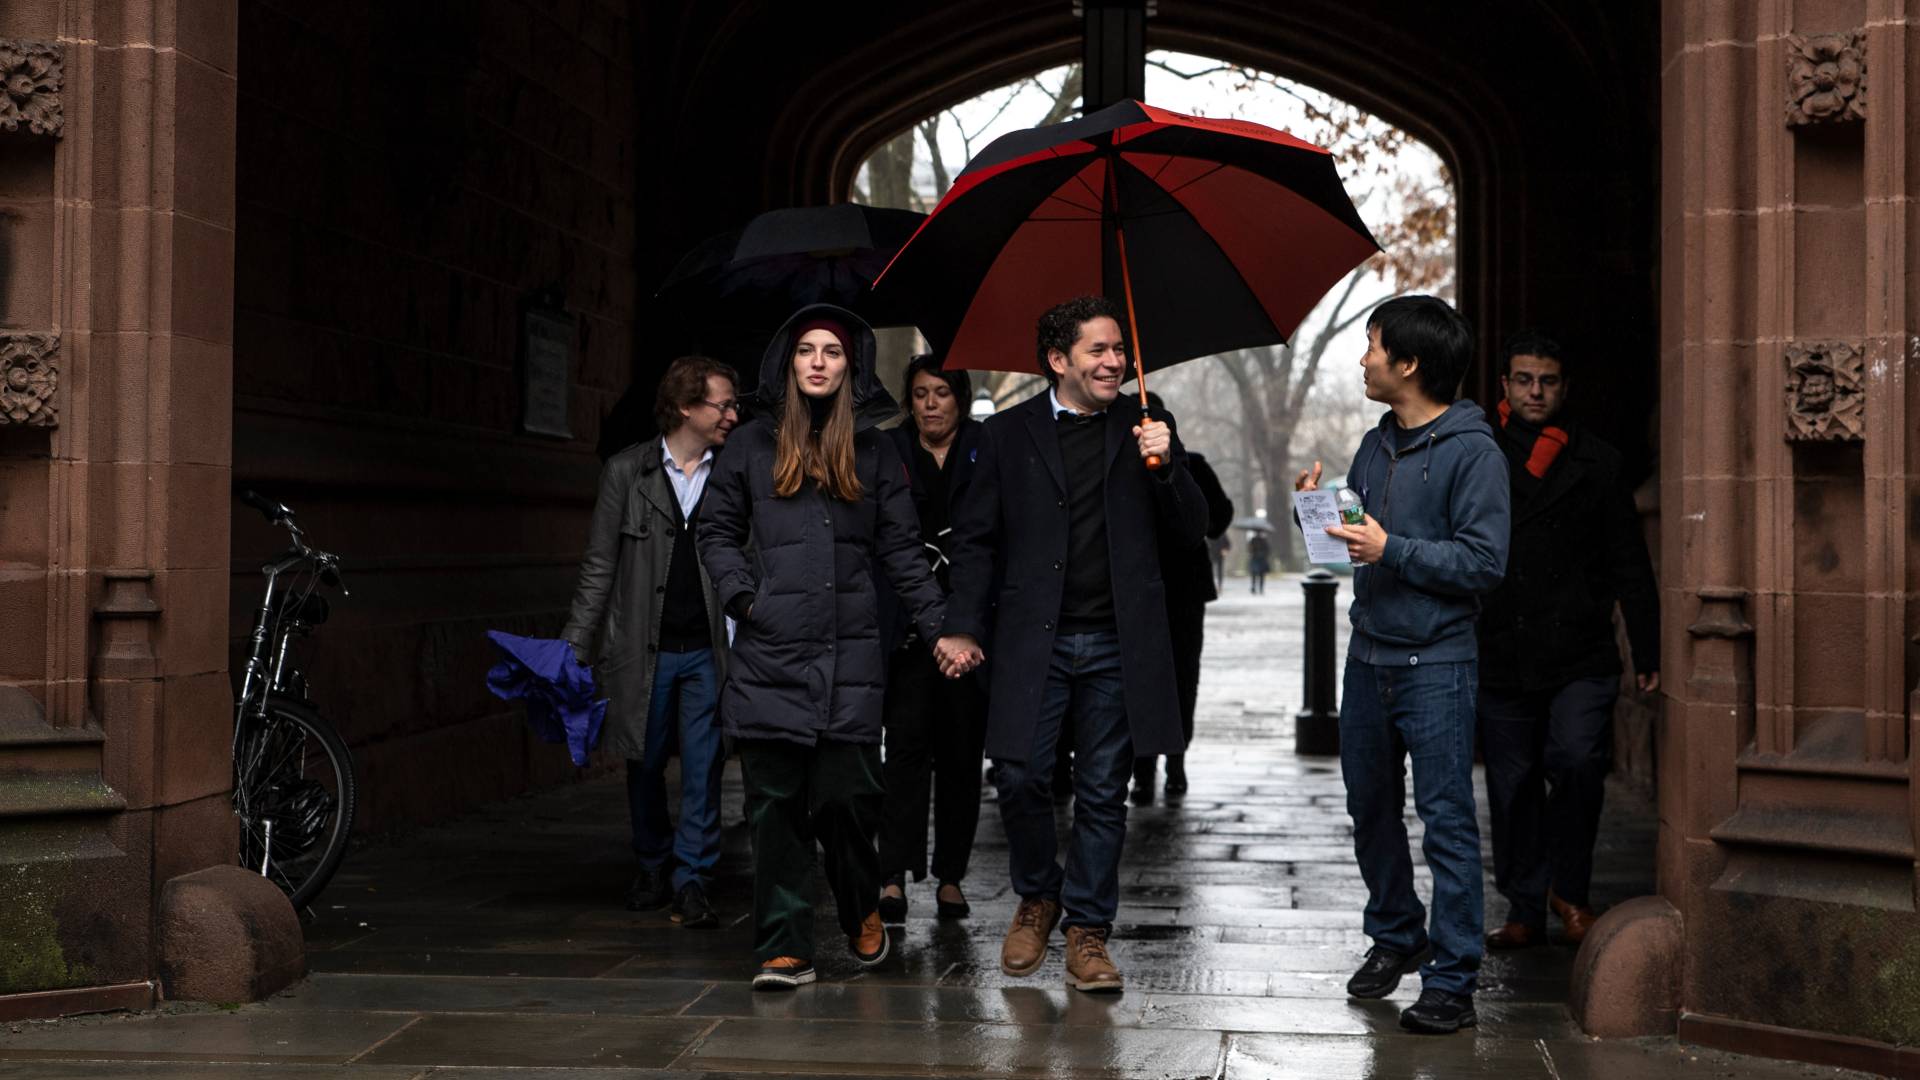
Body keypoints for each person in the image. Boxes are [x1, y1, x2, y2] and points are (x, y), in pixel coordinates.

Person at [938, 295, 1207, 994]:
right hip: (1033, 640)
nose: (1115, 361)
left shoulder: (1149, 423)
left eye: (1120, 349)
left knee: (1101, 792)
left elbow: (1191, 531)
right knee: (1020, 776)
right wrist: (961, 623)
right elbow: (975, 539)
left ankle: (1088, 930)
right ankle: (1038, 895)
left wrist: (1168, 465)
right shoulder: (1005, 436)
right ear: (1058, 360)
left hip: (1120, 642)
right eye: (1098, 350)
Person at [696, 304, 955, 991]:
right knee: (774, 810)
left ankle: (859, 902)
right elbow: (715, 531)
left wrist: (940, 629)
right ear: (789, 362)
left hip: (850, 658)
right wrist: (744, 598)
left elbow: (903, 552)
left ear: (850, 367)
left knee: (846, 800)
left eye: (832, 352)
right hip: (769, 654)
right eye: (807, 349)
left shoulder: (874, 451)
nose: (818, 361)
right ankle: (784, 946)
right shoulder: (751, 445)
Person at [1296, 294, 1509, 1035]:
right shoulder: (1374, 442)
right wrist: (1319, 513)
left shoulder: (1475, 451)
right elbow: (1354, 543)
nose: (1364, 359)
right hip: (1368, 655)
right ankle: (1396, 936)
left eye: (1373, 346)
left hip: (1438, 663)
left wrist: (1394, 549)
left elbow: (1484, 562)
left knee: (1446, 820)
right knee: (1368, 811)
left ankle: (1453, 978)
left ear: (1410, 364)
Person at [1478, 331, 1659, 950]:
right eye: (1524, 379)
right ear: (1504, 386)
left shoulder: (1598, 462)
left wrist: (1648, 651)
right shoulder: (1479, 454)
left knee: (1579, 763)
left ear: (1564, 387)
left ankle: (1571, 893)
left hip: (1580, 648)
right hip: (1502, 644)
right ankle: (1526, 902)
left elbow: (1629, 562)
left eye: (1547, 380)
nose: (1535, 391)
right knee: (1510, 781)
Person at [562, 355, 739, 928]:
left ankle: (693, 877)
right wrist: (575, 645)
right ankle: (651, 863)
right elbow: (598, 566)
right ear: (687, 407)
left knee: (705, 765)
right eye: (722, 404)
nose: (732, 415)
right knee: (642, 757)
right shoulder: (625, 472)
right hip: (643, 648)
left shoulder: (735, 472)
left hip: (709, 650)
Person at [876, 355, 989, 923]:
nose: (929, 403)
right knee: (905, 754)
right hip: (906, 631)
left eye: (941, 392)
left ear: (959, 397)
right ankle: (892, 875)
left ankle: (950, 876)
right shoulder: (889, 449)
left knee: (963, 756)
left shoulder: (986, 448)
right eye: (920, 393)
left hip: (969, 635)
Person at [1132, 392, 1234, 801]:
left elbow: (1218, 519)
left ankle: (1170, 763)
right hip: (1143, 589)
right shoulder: (1122, 467)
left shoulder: (1194, 466)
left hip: (1182, 592)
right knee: (1150, 678)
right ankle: (1150, 767)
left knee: (1178, 675)